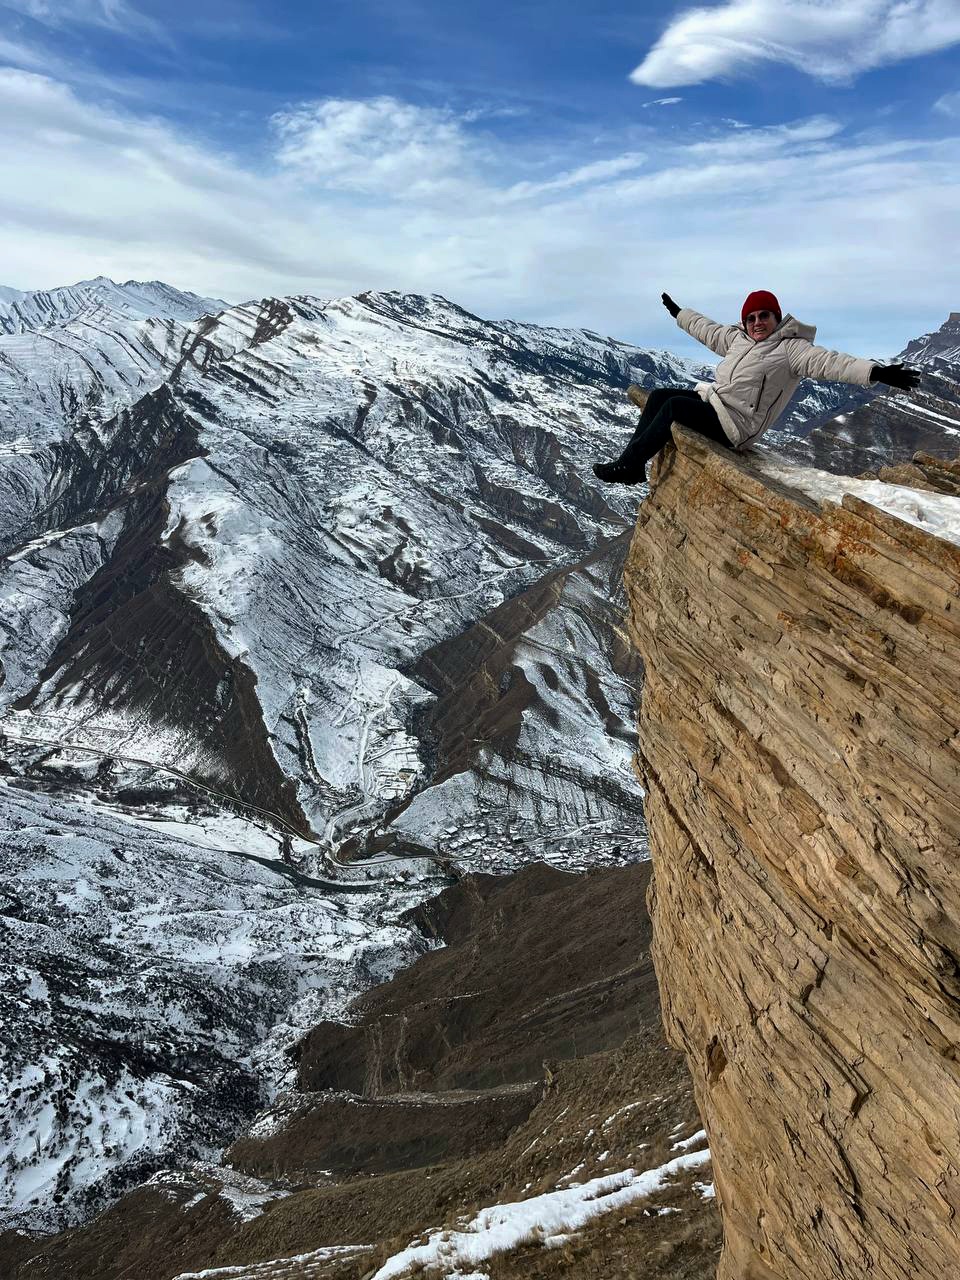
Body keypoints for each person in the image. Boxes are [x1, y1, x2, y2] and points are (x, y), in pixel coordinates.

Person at [593, 289, 920, 484]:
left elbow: (832, 363)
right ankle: (632, 465)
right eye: (751, 317)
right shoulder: (738, 338)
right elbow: (707, 330)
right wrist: (680, 313)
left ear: (777, 319)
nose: (758, 322)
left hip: (736, 425)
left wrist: (876, 372)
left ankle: (631, 462)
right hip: (716, 405)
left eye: (765, 315)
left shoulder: (792, 350)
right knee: (661, 396)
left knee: (674, 407)